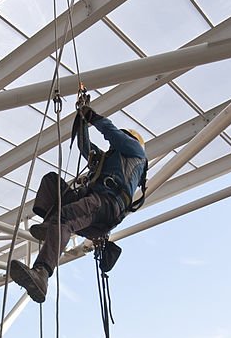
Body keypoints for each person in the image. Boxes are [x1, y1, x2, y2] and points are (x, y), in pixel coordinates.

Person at [9, 105, 148, 303]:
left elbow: (112, 133)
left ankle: (42, 274)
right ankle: (52, 227)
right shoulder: (106, 160)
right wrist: (81, 120)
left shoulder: (136, 152)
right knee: (51, 182)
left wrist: (93, 116)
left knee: (65, 219)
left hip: (105, 205)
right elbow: (85, 147)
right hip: (94, 207)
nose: (110, 147)